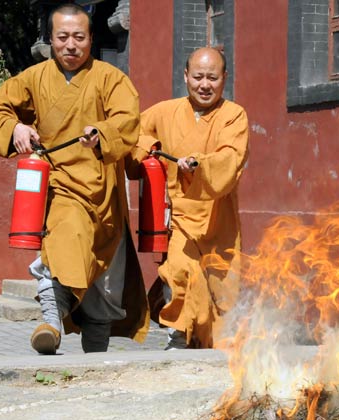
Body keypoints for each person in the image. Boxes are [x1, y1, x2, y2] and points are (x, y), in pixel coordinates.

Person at [0, 3, 148, 354]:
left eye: (78, 37)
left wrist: (102, 132)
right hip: (59, 185)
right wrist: (15, 127)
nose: (70, 45)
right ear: (50, 39)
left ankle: (95, 360)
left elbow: (128, 120)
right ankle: (50, 320)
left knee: (104, 283)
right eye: (62, 37)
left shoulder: (111, 78)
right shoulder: (35, 77)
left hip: (103, 192)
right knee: (63, 243)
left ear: (91, 38)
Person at [127, 47, 249, 349]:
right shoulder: (165, 112)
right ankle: (178, 337)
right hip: (178, 217)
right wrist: (151, 146)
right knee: (180, 271)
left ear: (224, 78)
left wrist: (198, 163)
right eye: (197, 77)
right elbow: (131, 132)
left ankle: (204, 344)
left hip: (217, 219)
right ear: (185, 76)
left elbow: (231, 157)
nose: (204, 85)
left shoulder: (234, 115)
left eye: (212, 77)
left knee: (217, 291)